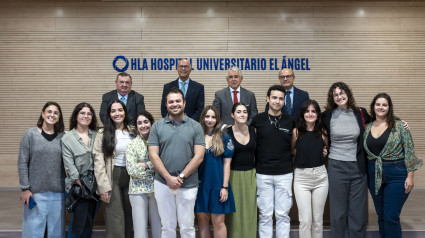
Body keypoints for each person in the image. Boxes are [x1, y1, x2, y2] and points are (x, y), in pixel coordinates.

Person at [149, 87, 205, 238]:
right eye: (171, 102)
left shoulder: (195, 126)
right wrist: (168, 178)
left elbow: (199, 156)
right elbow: (153, 155)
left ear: (184, 103)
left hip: (188, 185)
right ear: (166, 104)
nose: (174, 104)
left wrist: (180, 177)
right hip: (162, 183)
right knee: (167, 226)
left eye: (178, 101)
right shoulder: (157, 126)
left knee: (187, 226)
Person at [364, 93, 421, 238]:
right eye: (378, 104)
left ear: (389, 107)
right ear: (373, 107)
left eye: (384, 105)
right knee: (381, 215)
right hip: (373, 173)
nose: (381, 107)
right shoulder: (367, 127)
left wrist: (411, 176)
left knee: (391, 216)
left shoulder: (400, 125)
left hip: (396, 173)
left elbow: (409, 151)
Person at [322, 82, 370, 238]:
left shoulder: (360, 113)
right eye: (335, 95)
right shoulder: (328, 115)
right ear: (332, 98)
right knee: (338, 212)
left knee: (357, 211)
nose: (339, 97)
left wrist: (398, 123)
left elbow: (380, 122)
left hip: (358, 167)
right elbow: (313, 130)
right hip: (336, 166)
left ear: (348, 94)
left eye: (342, 93)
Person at [251, 85, 295, 238]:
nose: (277, 101)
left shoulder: (290, 121)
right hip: (263, 174)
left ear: (284, 101)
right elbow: (252, 146)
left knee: (283, 214)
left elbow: (294, 146)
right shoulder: (257, 120)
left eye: (281, 98)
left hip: (284, 173)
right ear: (267, 99)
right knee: (265, 215)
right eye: (274, 98)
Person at [18, 101, 66, 238]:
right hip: (34, 192)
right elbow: (22, 162)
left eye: (56, 113)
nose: (52, 115)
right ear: (43, 113)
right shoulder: (30, 135)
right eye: (49, 111)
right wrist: (25, 188)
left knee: (56, 233)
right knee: (32, 232)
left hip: (58, 193)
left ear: (59, 117)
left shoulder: (63, 137)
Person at [93, 100, 135, 238]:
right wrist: (103, 186)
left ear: (125, 112)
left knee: (131, 215)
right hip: (113, 177)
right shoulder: (103, 133)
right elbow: (98, 161)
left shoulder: (133, 131)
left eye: (120, 110)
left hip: (132, 177)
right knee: (115, 217)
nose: (117, 113)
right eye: (113, 111)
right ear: (109, 114)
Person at [195, 106, 235, 238]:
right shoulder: (196, 136)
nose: (210, 120)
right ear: (203, 118)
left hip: (218, 186)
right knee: (202, 221)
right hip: (200, 185)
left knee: (218, 222)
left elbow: (227, 164)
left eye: (213, 117)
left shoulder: (224, 137)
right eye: (207, 116)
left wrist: (224, 187)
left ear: (217, 119)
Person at [291, 100, 329, 238]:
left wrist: (325, 152)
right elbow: (291, 151)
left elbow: (328, 150)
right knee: (305, 220)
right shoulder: (296, 132)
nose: (310, 114)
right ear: (302, 114)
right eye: (307, 111)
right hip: (302, 178)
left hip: (320, 177)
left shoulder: (322, 131)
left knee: (318, 221)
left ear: (318, 114)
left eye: (313, 111)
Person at [62, 102, 100, 238]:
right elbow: (69, 164)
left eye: (89, 113)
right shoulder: (67, 138)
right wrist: (80, 183)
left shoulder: (97, 135)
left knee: (89, 223)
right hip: (78, 188)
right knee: (77, 225)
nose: (86, 116)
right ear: (76, 115)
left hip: (96, 188)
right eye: (82, 113)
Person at [126, 111, 161, 238]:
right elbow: (132, 170)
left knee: (159, 227)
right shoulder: (132, 144)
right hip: (137, 190)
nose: (143, 125)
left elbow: (163, 165)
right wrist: (153, 168)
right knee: (140, 230)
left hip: (157, 188)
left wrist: (146, 165)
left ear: (151, 123)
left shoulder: (160, 142)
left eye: (146, 122)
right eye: (139, 123)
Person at [225, 102, 257, 238]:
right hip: (233, 175)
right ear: (232, 115)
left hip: (251, 175)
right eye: (238, 112)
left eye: (244, 111)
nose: (242, 114)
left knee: (250, 211)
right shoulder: (226, 132)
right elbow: (224, 160)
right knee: (234, 214)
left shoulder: (253, 130)